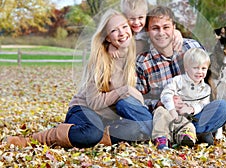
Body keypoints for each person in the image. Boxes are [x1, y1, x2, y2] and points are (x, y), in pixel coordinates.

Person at [7, 9, 153, 148]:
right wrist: (125, 90)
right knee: (92, 131)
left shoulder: (132, 56)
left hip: (106, 120)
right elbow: (94, 102)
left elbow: (156, 37)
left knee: (135, 128)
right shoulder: (100, 59)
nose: (122, 33)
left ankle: (90, 137)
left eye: (124, 27)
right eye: (114, 30)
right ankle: (33, 139)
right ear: (107, 37)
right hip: (84, 109)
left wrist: (177, 36)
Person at [135, 5, 226, 148]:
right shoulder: (143, 62)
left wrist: (192, 107)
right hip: (164, 115)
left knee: (223, 108)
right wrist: (160, 103)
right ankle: (191, 134)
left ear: (174, 27)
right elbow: (140, 99)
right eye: (155, 28)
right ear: (148, 31)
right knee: (151, 117)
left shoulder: (192, 47)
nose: (161, 33)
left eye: (166, 27)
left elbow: (211, 77)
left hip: (193, 112)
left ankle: (184, 133)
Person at [152, 48, 211, 149]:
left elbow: (203, 104)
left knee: (189, 125)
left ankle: (185, 138)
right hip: (169, 112)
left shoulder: (205, 89)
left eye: (203, 68)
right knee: (160, 113)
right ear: (186, 68)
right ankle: (162, 139)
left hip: (185, 116)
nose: (199, 72)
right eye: (195, 68)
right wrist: (172, 110)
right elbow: (166, 94)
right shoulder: (178, 80)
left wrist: (191, 109)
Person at [109, 0, 183, 57]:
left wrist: (177, 33)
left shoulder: (148, 28)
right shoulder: (124, 31)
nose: (136, 22)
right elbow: (113, 38)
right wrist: (111, 46)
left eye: (140, 17)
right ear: (124, 17)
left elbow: (165, 30)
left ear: (145, 15)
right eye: (132, 18)